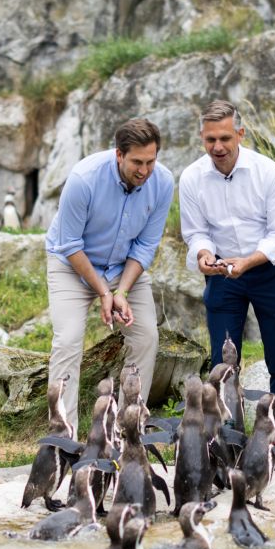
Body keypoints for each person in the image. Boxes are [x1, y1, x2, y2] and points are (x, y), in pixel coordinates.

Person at [44, 118, 175, 428]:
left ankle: (127, 427)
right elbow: (70, 244)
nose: (144, 170)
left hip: (122, 268)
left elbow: (145, 246)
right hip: (70, 264)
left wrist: (121, 292)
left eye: (150, 161)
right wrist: (103, 292)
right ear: (119, 155)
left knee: (146, 335)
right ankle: (63, 434)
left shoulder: (164, 182)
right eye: (136, 162)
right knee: (68, 341)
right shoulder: (84, 178)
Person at [179, 99, 275, 390]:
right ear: (202, 138)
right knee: (223, 358)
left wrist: (248, 262)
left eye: (225, 138)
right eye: (210, 139)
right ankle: (225, 428)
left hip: (270, 269)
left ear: (241, 134)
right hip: (222, 273)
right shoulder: (191, 178)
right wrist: (204, 253)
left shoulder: (268, 172)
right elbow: (196, 233)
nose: (217, 147)